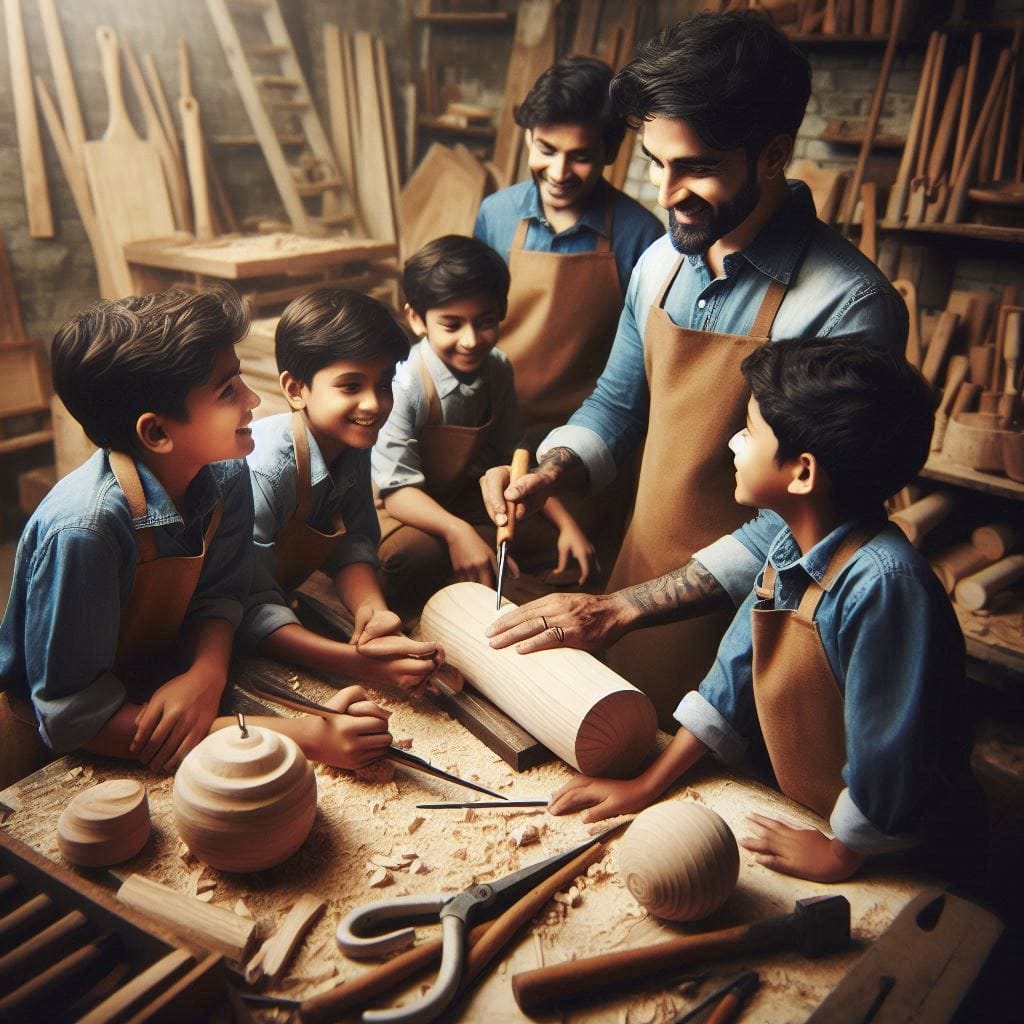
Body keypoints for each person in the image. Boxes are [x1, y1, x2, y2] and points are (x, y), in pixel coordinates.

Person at [482, 11, 909, 726]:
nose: (665, 192)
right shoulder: (660, 263)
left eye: (696, 168)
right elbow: (617, 406)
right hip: (640, 576)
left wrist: (623, 608)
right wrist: (551, 469)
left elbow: (809, 526)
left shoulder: (846, 305)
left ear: (772, 155)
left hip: (766, 623)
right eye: (656, 163)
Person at [548, 338, 986, 885]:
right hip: (822, 812)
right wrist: (647, 784)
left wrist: (841, 854)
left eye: (750, 432)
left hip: (907, 849)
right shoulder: (788, 548)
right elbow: (728, 685)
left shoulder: (884, 586)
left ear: (801, 473)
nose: (733, 443)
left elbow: (889, 756)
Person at [0, 287, 390, 790]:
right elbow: (73, 716)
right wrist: (307, 736)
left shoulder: (226, 474)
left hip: (157, 682)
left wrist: (206, 671)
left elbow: (223, 594)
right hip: (53, 738)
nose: (253, 400)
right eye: (228, 391)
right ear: (157, 433)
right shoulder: (86, 532)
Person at [372, 235, 594, 612]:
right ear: (416, 318)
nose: (471, 340)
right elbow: (397, 490)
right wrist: (458, 532)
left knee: (558, 536)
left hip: (461, 498)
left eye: (485, 322)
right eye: (452, 325)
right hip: (397, 506)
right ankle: (457, 569)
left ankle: (476, 557)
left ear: (502, 311)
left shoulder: (497, 367)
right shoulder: (404, 383)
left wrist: (564, 522)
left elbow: (514, 459)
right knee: (410, 555)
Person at [239, 287, 443, 694]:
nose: (373, 404)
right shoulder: (265, 470)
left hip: (272, 600)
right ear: (295, 390)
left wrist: (373, 610)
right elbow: (249, 609)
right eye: (350, 387)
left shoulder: (350, 441)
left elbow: (351, 545)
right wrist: (364, 666)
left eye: (383, 384)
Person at [474, 55, 663, 447]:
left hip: (585, 438)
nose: (559, 173)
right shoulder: (497, 214)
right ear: (528, 136)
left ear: (609, 153)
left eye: (580, 157)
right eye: (546, 149)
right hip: (493, 425)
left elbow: (643, 370)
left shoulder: (642, 235)